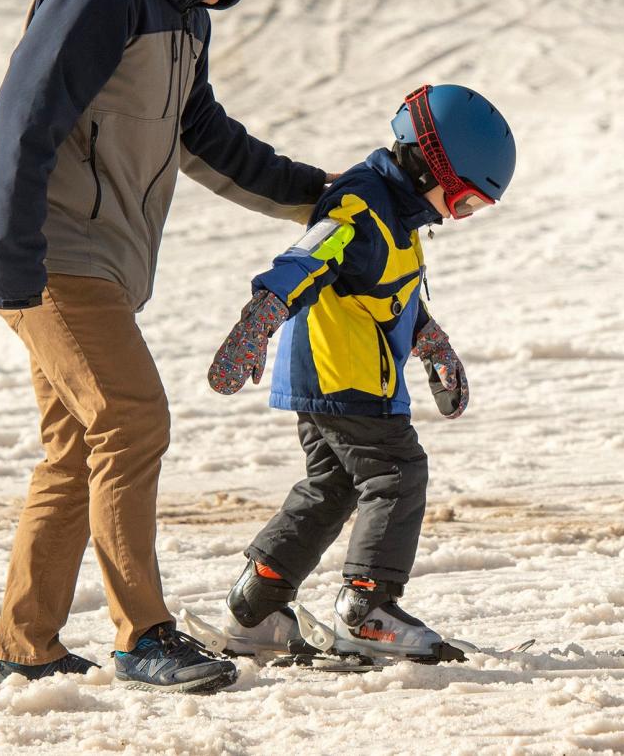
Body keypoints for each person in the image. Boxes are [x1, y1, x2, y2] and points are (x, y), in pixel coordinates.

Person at [0, 0, 330, 693]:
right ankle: (144, 636)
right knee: (133, 419)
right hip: (50, 255)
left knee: (77, 447)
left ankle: (28, 645)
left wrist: (317, 194)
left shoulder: (182, 16)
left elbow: (208, 140)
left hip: (99, 263)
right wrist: (13, 264)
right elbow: (26, 118)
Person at [207, 83, 516, 662]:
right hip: (345, 378)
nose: (463, 217)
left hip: (337, 379)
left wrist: (432, 343)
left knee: (332, 487)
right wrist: (260, 317)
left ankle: (254, 609)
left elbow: (387, 292)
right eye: (465, 202)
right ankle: (367, 610)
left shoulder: (396, 211)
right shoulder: (359, 205)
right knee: (398, 471)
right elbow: (308, 259)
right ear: (434, 166)